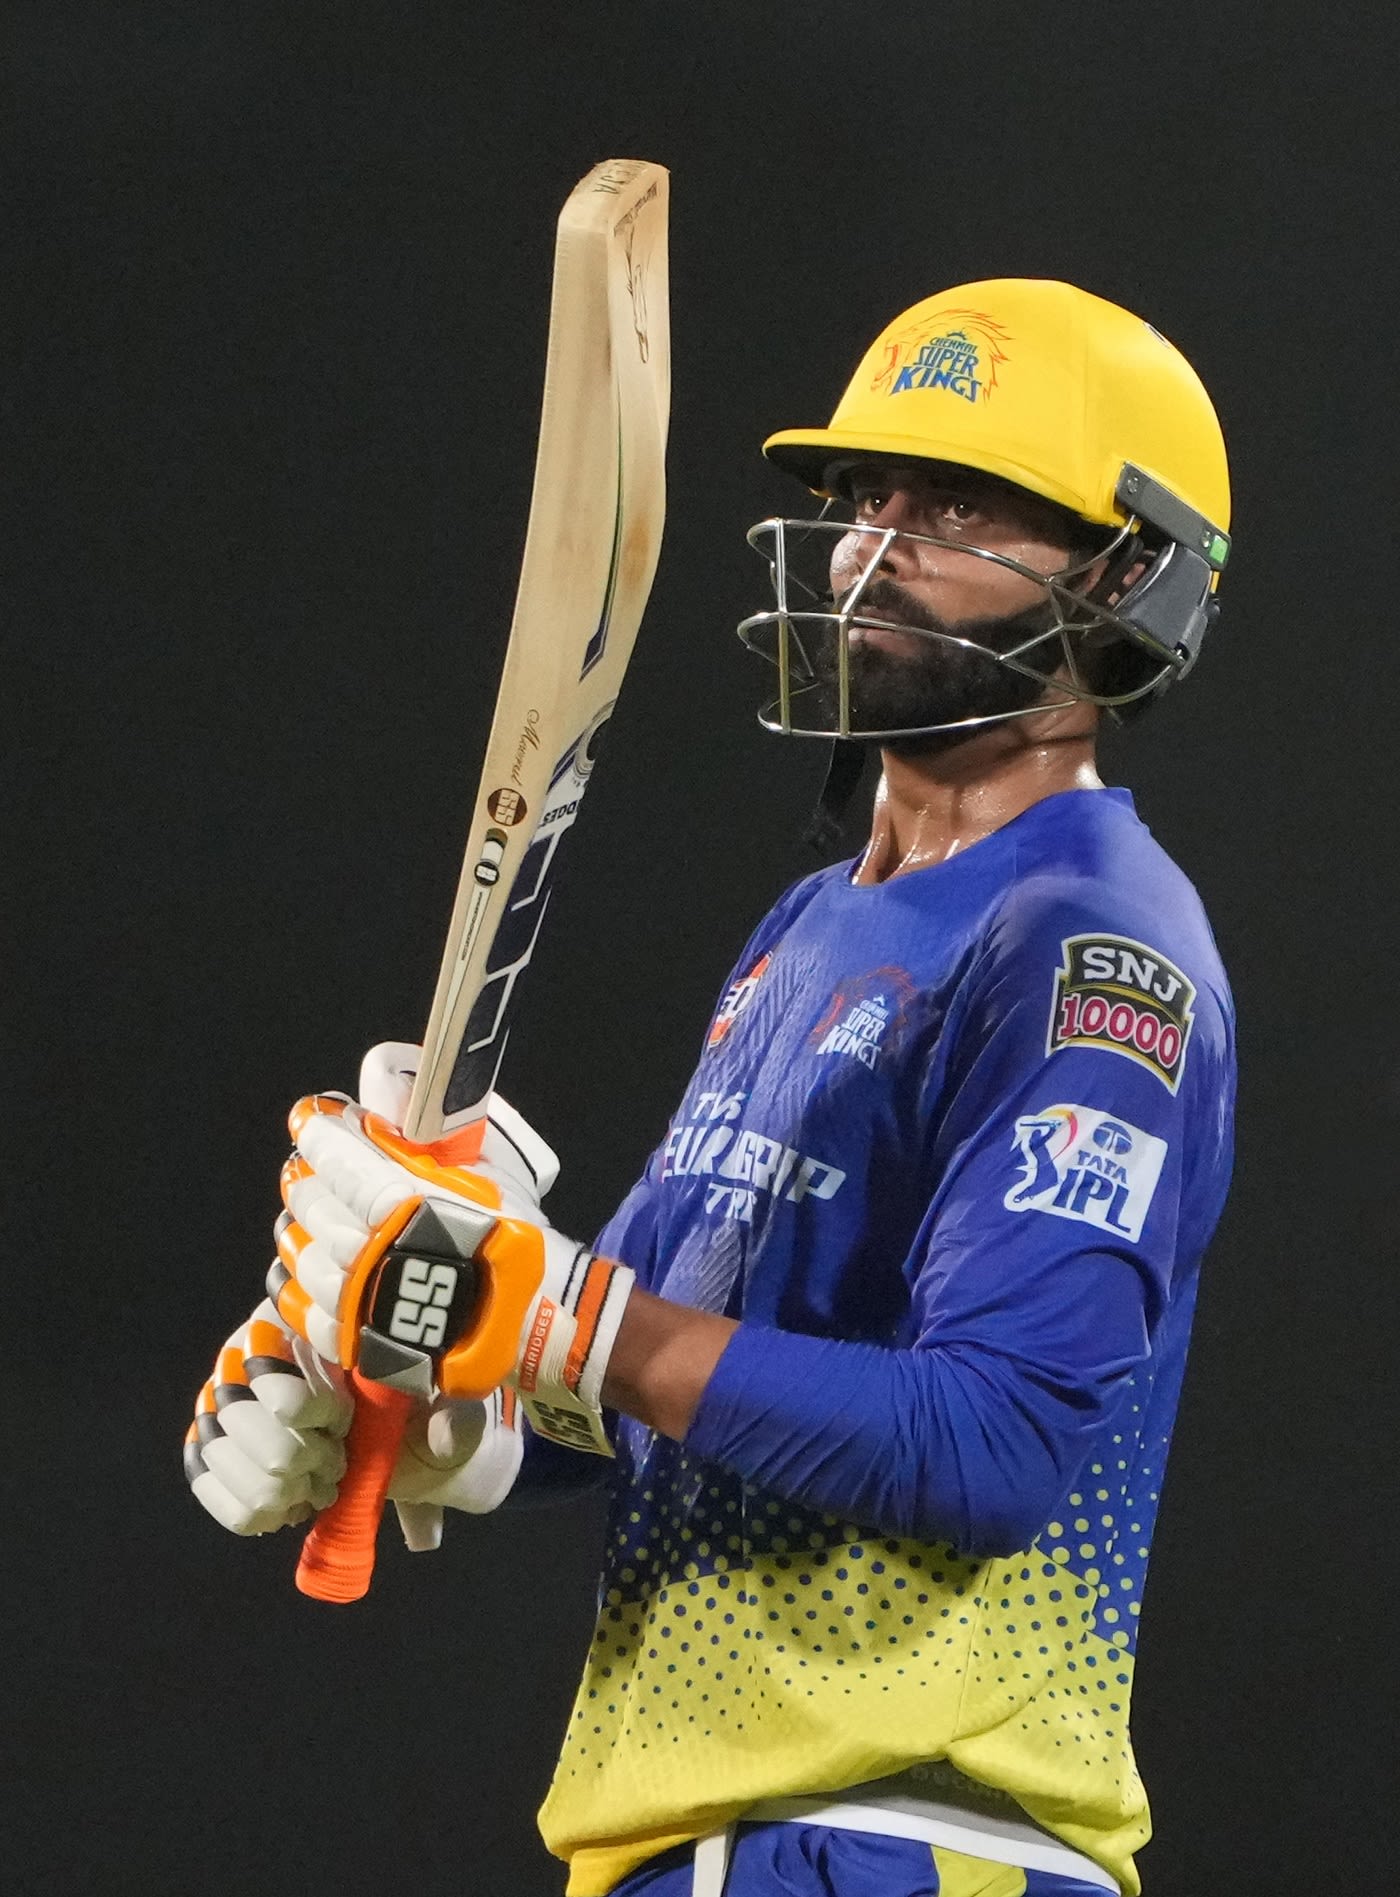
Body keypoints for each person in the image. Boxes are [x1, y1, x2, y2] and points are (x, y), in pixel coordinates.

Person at [185, 278, 1236, 1897]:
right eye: (861, 500)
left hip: (907, 1843)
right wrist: (421, 1378)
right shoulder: (811, 928)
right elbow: (642, 1373)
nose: (871, 549)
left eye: (952, 505)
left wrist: (560, 1319)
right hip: (706, 1845)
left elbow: (992, 1439)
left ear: (1123, 577)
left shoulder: (1093, 946)